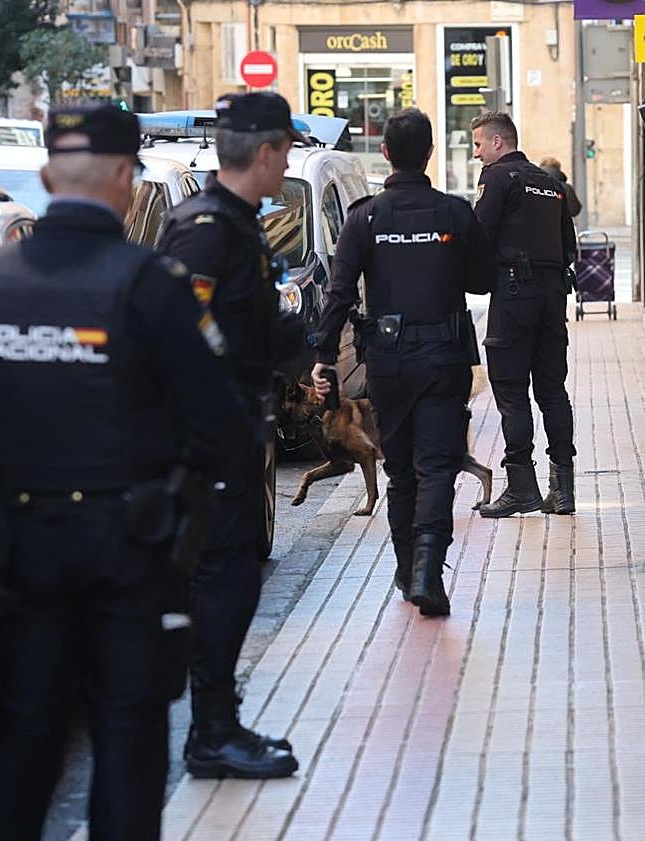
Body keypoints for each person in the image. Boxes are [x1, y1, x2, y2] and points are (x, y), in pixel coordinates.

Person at [0, 103, 248, 841]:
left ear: (47, 178)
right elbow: (220, 420)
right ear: (126, 181)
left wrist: (10, 470)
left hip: (24, 542)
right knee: (128, 739)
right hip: (128, 549)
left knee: (23, 737)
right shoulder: (151, 283)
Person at [157, 91, 305, 779]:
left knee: (234, 578)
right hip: (210, 440)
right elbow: (185, 333)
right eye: (284, 154)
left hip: (236, 431)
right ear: (267, 150)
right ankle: (210, 730)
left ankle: (219, 721)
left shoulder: (238, 224)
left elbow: (240, 325)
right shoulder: (207, 228)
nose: (284, 168)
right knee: (223, 580)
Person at [311, 107, 495, 617]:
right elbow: (483, 280)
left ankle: (406, 565)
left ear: (386, 153)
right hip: (444, 358)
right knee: (437, 468)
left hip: (389, 363)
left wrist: (324, 357)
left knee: (402, 474)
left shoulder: (365, 217)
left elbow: (340, 292)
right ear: (430, 153)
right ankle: (427, 572)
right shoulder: (455, 214)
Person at [471, 111, 577, 517]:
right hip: (552, 298)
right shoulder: (551, 184)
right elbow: (570, 247)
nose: (477, 153)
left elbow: (479, 236)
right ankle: (562, 489)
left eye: (479, 144)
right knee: (552, 391)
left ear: (498, 142)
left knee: (511, 391)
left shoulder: (498, 178)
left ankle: (521, 487)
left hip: (514, 296)